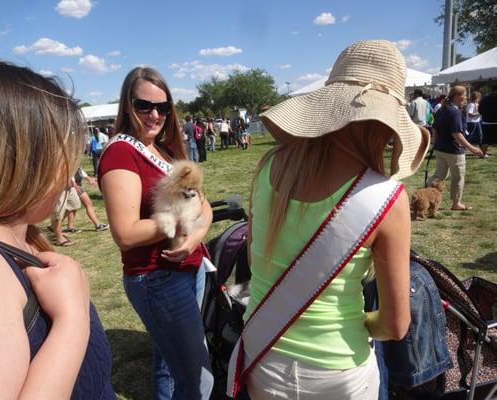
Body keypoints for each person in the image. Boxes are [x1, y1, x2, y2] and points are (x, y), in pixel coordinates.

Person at [230, 40, 430, 400]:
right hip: (339, 373)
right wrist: (361, 323)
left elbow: (255, 259)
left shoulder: (269, 168)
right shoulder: (387, 199)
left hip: (264, 353)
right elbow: (395, 325)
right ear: (385, 123)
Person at [0, 61, 115, 398]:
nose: (68, 173)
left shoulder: (9, 242)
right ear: (28, 158)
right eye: (64, 153)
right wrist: (72, 319)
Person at [98, 66, 214, 399]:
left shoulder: (163, 150)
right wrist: (184, 222)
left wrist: (193, 236)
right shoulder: (121, 152)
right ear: (126, 105)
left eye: (162, 107)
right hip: (156, 278)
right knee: (198, 380)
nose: (154, 114)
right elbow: (126, 233)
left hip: (189, 267)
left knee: (169, 362)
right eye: (144, 105)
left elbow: (202, 205)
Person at [427, 86, 484, 211]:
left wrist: (434, 143)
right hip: (453, 150)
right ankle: (456, 203)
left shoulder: (442, 109)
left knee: (439, 175)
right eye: (464, 95)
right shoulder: (455, 111)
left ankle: (426, 193)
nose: (466, 98)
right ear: (458, 96)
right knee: (457, 177)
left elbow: (434, 128)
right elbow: (457, 134)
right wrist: (472, 148)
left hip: (440, 148)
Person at [66, 167, 109, 232]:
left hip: (75, 187)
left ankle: (69, 227)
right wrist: (75, 186)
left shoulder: (75, 161)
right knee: (88, 204)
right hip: (75, 187)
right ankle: (98, 225)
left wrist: (89, 178)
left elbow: (80, 171)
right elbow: (70, 174)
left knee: (72, 208)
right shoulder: (71, 161)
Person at [479, 85, 497, 158]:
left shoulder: (484, 98)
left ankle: (483, 154)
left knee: (485, 140)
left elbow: (479, 110)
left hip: (486, 122)